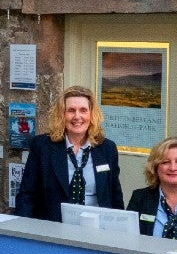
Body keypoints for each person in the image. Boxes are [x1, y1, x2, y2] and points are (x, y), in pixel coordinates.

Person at [15, 85, 123, 221]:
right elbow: (27, 195)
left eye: (83, 110)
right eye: (71, 110)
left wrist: (118, 230)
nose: (77, 117)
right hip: (53, 228)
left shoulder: (107, 148)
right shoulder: (43, 147)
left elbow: (115, 196)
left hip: (96, 229)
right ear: (62, 115)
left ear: (91, 114)